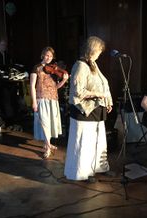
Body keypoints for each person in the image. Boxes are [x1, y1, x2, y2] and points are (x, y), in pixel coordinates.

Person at [64, 36, 113, 181]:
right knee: (84, 144)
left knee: (97, 142)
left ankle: (98, 168)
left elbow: (103, 83)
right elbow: (79, 91)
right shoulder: (80, 65)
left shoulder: (93, 64)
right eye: (98, 50)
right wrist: (100, 95)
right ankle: (83, 173)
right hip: (83, 111)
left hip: (96, 110)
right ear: (91, 50)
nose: (100, 53)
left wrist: (108, 100)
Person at [30, 46, 69, 158]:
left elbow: (56, 87)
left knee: (50, 123)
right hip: (41, 98)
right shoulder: (36, 68)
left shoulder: (54, 70)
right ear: (43, 55)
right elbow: (32, 86)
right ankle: (47, 146)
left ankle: (48, 143)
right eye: (47, 55)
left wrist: (64, 80)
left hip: (53, 99)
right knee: (44, 123)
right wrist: (34, 102)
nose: (48, 58)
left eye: (51, 56)